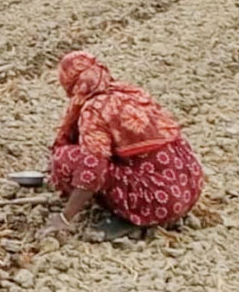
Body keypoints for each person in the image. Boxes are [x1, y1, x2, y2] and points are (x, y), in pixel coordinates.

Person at [43, 51, 204, 239]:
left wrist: (65, 218)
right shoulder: (128, 91)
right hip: (188, 187)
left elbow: (92, 168)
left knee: (66, 158)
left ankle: (131, 216)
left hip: (160, 200)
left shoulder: (94, 108)